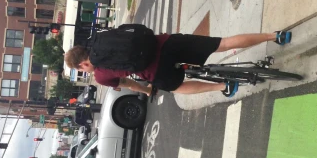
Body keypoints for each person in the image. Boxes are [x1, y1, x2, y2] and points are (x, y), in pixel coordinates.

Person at [64, 29, 292, 98]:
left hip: (156, 71)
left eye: (81, 69)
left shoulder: (101, 76)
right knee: (223, 43)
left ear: (82, 65)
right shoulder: (102, 37)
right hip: (165, 44)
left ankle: (222, 86)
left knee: (178, 88)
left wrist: (146, 89)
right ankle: (275, 36)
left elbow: (129, 83)